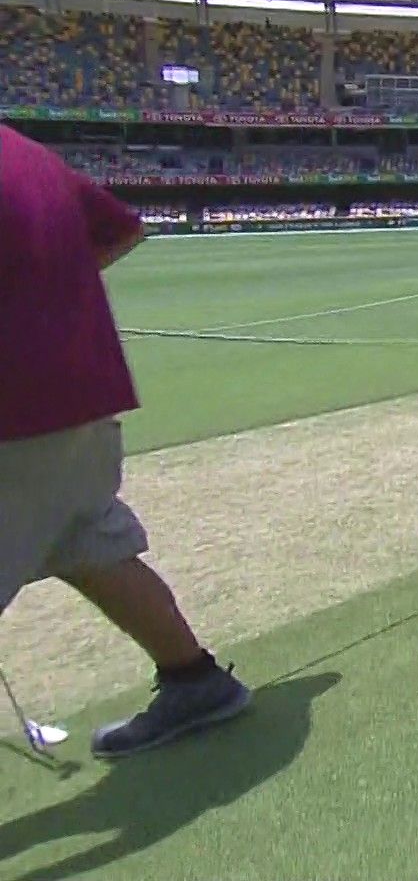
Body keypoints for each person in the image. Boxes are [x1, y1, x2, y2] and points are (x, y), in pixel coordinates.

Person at [0, 125, 252, 759]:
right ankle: (194, 680)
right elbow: (122, 230)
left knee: (83, 541)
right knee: (84, 543)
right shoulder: (27, 152)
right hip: (80, 389)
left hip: (15, 408)